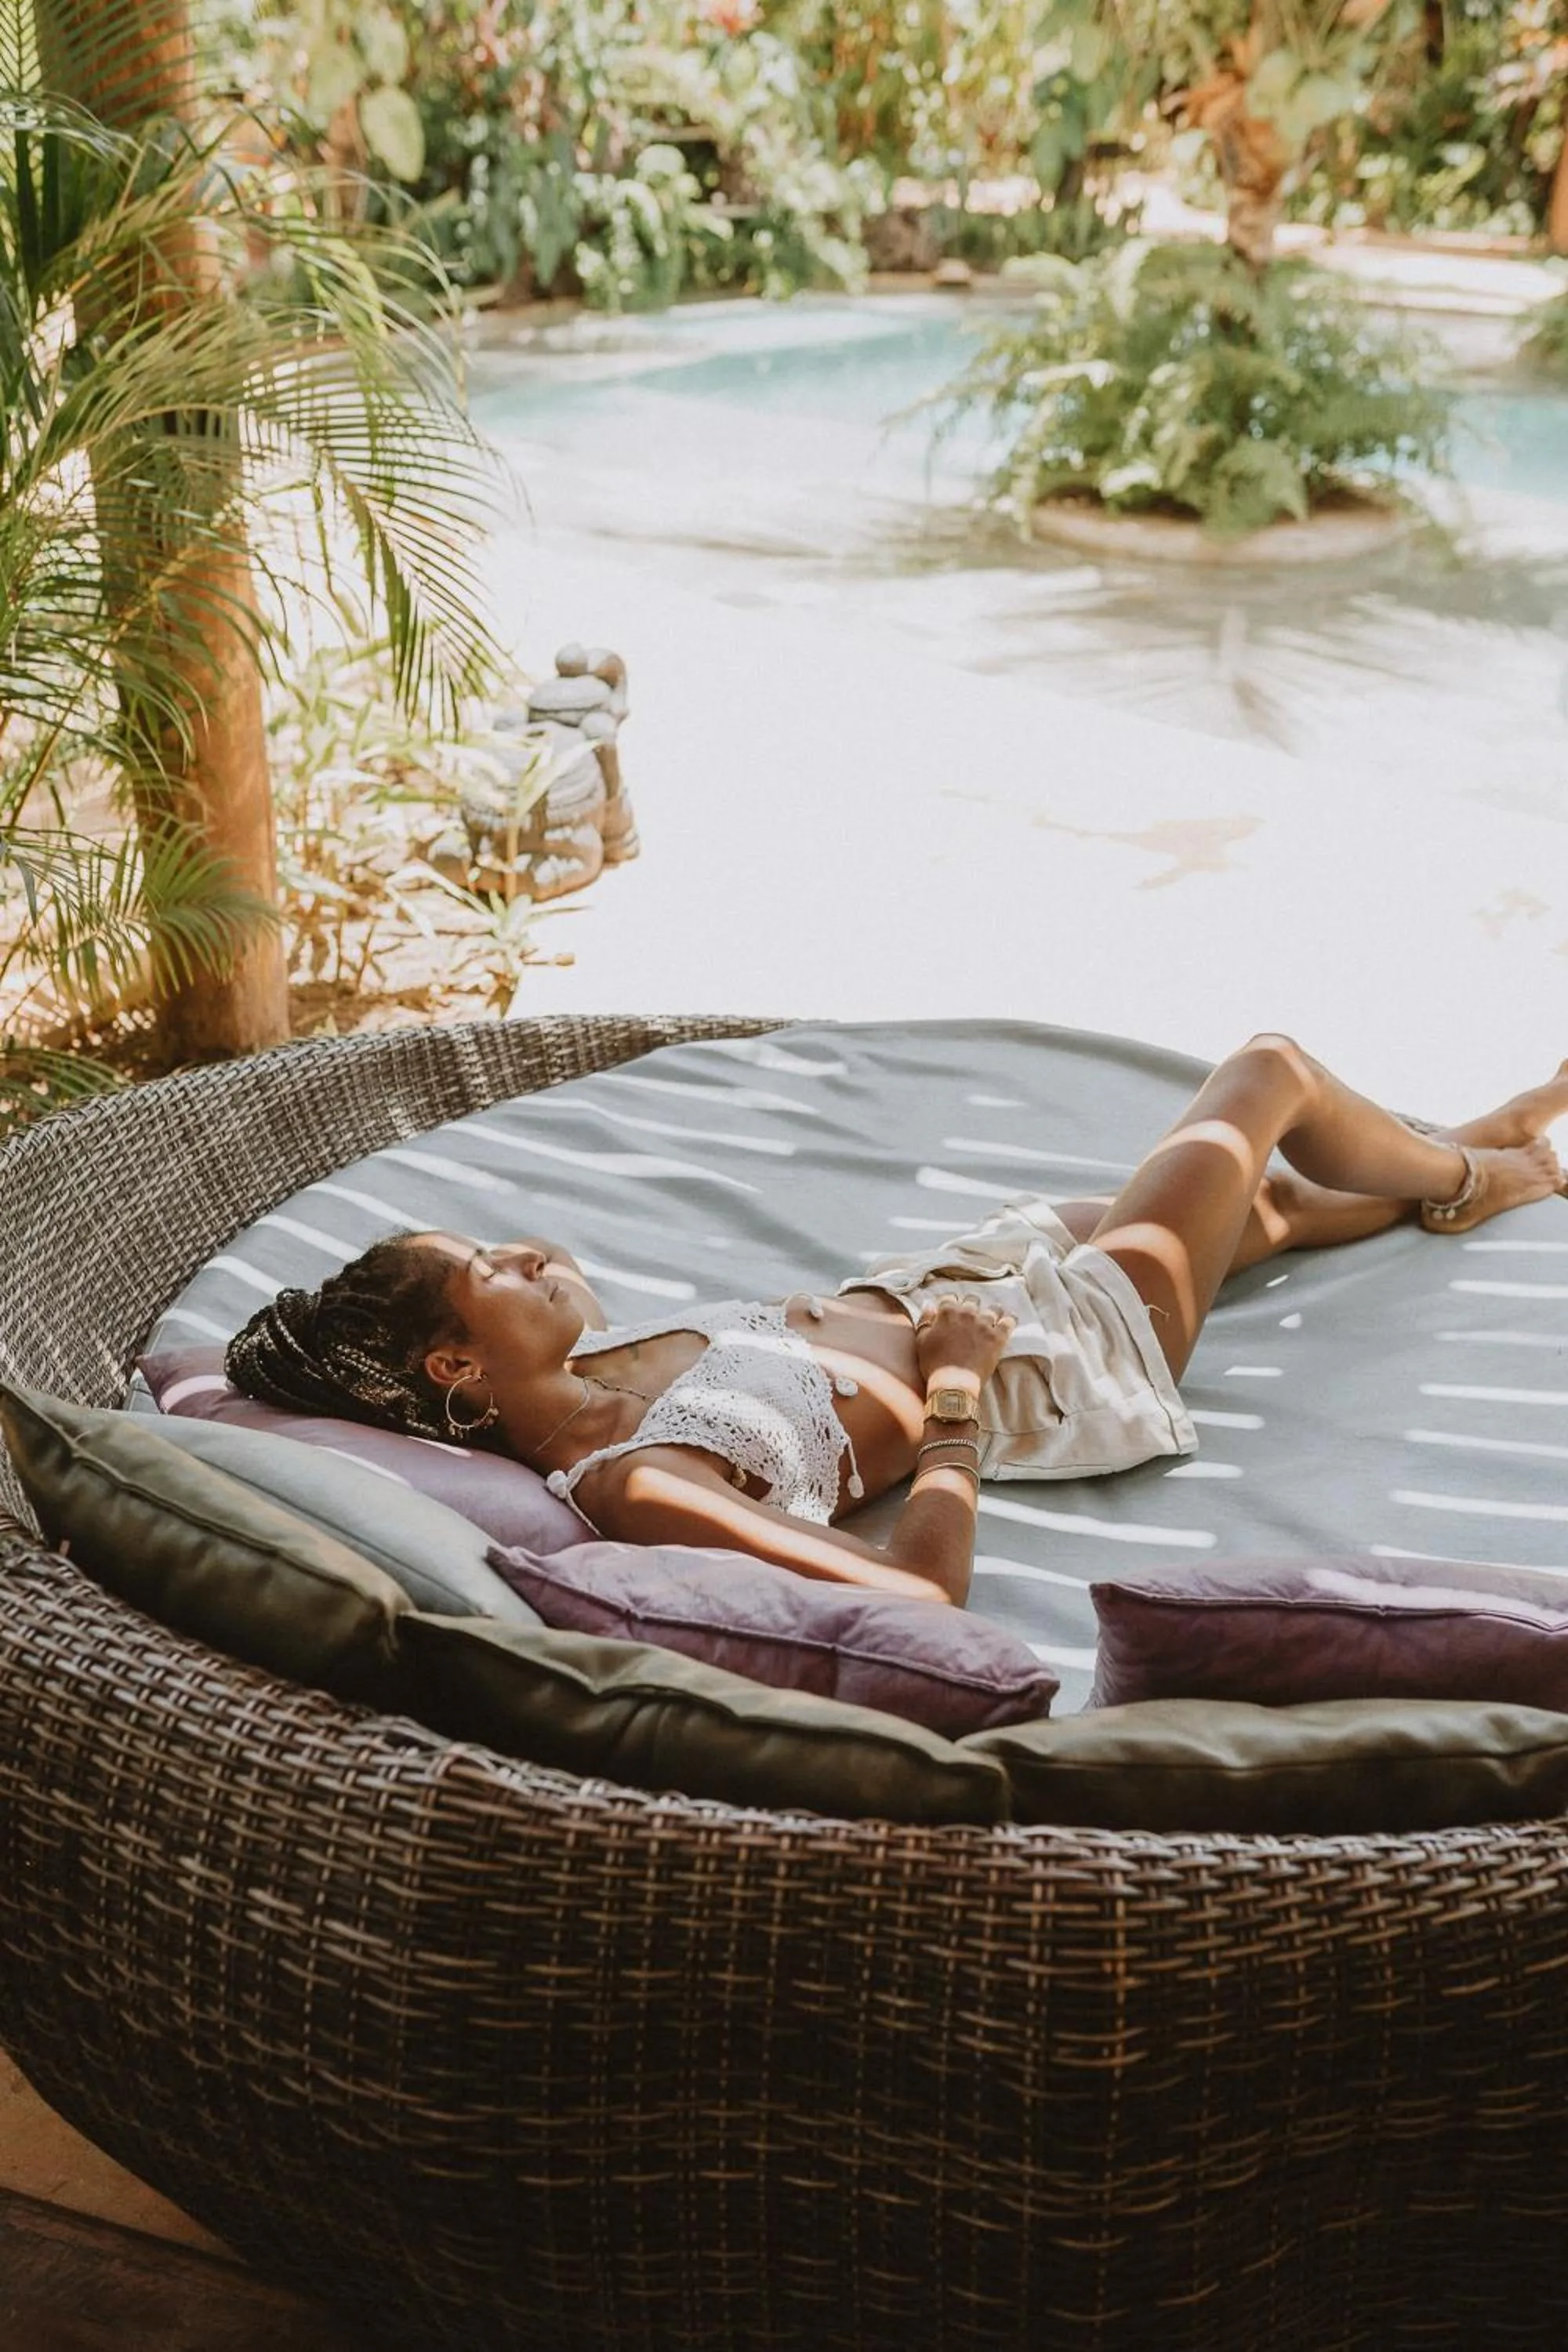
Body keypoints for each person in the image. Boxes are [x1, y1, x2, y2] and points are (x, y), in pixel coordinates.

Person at [227, 1036, 1568, 1609]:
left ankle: (1462, 1150)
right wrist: (957, 1387)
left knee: (1257, 1204)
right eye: (491, 1267)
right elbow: (921, 1592)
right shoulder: (639, 1482)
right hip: (1055, 1357)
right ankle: (1477, 1171)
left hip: (966, 1278)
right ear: (457, 1364)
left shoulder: (599, 1360)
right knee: (1265, 1075)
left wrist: (929, 1312)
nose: (529, 1251)